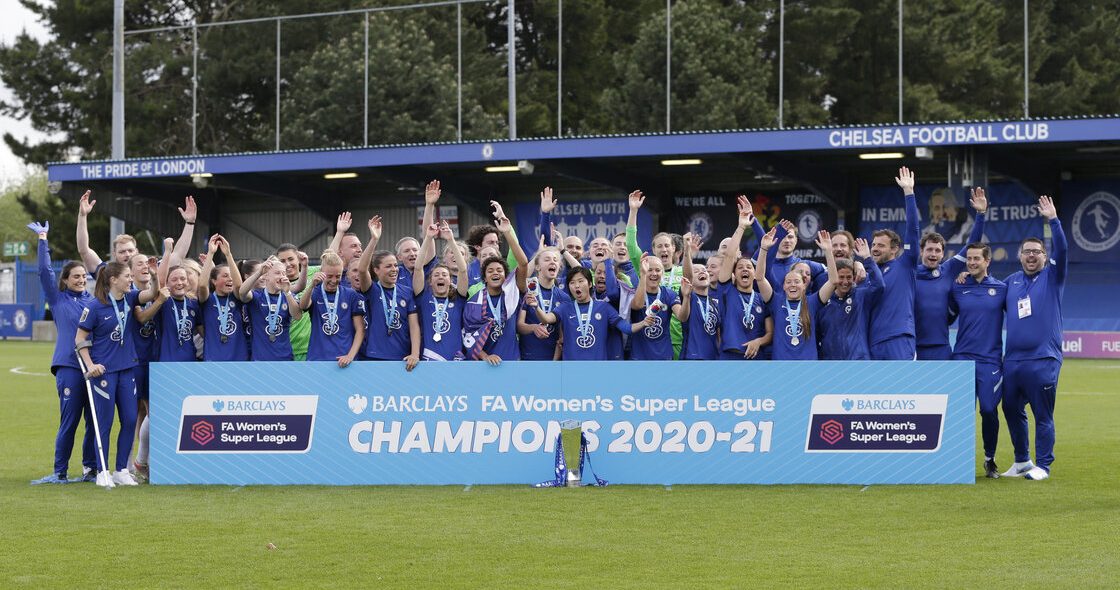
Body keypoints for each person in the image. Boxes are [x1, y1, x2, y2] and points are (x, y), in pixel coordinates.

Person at [1000, 195, 1066, 481]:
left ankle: (1044, 466)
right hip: (1012, 361)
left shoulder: (1053, 276)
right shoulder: (1010, 282)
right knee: (1010, 409)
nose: (1031, 256)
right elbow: (987, 298)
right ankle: (1022, 460)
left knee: (1042, 414)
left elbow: (1062, 250)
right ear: (1019, 255)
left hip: (1043, 359)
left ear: (1044, 255)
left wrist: (1054, 220)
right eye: (1026, 252)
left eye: (1036, 252)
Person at [30, 221, 98, 484]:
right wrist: (43, 240)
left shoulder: (94, 302)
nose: (81, 280)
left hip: (92, 367)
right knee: (69, 422)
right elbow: (44, 271)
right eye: (76, 277)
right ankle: (59, 472)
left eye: (83, 276)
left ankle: (90, 470)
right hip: (69, 367)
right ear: (66, 280)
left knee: (93, 422)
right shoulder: (58, 299)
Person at [74, 261, 152, 488]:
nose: (131, 279)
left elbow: (153, 293)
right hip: (104, 372)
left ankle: (121, 470)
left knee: (129, 419)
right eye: (127, 276)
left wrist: (156, 275)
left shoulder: (130, 298)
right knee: (104, 423)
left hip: (128, 368)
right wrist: (90, 365)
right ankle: (102, 470)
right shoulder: (95, 306)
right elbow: (80, 339)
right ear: (113, 280)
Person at [949, 242, 1008, 479]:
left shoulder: (1002, 289)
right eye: (969, 259)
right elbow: (946, 314)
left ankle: (989, 459)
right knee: (960, 413)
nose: (972, 263)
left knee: (988, 409)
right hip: (961, 357)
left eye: (976, 259)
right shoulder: (958, 287)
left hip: (990, 361)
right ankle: (953, 461)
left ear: (987, 261)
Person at [915, 187, 988, 360]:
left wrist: (981, 214)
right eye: (929, 249)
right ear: (921, 251)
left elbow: (973, 244)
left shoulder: (948, 270)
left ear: (942, 254)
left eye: (937, 250)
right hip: (913, 347)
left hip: (941, 346)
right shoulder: (909, 274)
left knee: (943, 388)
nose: (933, 254)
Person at [528, 267, 652, 360]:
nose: (576, 285)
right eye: (572, 283)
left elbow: (626, 328)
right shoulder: (565, 307)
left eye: (580, 281)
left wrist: (643, 323)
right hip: (571, 369)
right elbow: (546, 319)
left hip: (597, 369)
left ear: (590, 284)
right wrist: (536, 307)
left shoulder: (604, 307)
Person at [755, 227, 837, 360]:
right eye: (789, 282)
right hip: (781, 364)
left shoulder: (813, 302)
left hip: (808, 365)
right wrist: (764, 249)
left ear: (804, 285)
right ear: (784, 286)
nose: (792, 285)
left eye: (797, 281)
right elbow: (759, 277)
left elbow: (833, 281)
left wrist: (828, 251)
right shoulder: (776, 301)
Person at [463, 206, 529, 365]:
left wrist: (507, 231)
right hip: (484, 366)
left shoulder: (512, 293)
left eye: (499, 270)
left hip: (512, 361)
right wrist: (485, 356)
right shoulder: (474, 301)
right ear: (484, 277)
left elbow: (524, 263)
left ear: (505, 275)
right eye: (490, 270)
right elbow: (468, 335)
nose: (495, 273)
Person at [868, 166, 921, 360]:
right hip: (872, 341)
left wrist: (909, 193)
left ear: (894, 249)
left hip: (898, 338)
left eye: (881, 245)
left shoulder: (905, 264)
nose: (875, 248)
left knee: (902, 390)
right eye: (873, 244)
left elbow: (913, 231)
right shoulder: (868, 272)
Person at [716, 197, 773, 360]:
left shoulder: (762, 298)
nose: (745, 270)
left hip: (757, 357)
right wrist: (741, 226)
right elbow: (729, 256)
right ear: (734, 273)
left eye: (749, 267)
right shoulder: (726, 290)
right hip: (730, 357)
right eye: (740, 267)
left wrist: (758, 342)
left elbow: (770, 333)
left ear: (755, 274)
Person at [817, 238, 882, 360]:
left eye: (849, 277)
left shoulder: (860, 295)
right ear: (834, 277)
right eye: (841, 277)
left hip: (858, 360)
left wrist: (867, 258)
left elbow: (879, 285)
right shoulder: (822, 301)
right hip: (831, 363)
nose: (845, 282)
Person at [414, 220, 470, 361]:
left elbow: (463, 270)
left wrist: (451, 240)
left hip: (455, 361)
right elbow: (418, 267)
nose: (441, 277)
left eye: (444, 275)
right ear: (430, 282)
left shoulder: (458, 298)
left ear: (450, 281)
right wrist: (427, 238)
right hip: (429, 359)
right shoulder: (423, 298)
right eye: (436, 275)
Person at [299, 249, 366, 367]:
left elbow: (360, 330)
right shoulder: (314, 293)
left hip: (345, 358)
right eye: (329, 276)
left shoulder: (351, 295)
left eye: (338, 276)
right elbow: (302, 306)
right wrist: (311, 286)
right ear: (321, 272)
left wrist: (350, 356)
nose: (334, 280)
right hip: (318, 358)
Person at [359, 249, 420, 369]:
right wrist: (374, 239)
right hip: (375, 356)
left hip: (402, 357)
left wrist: (415, 353)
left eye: (396, 265)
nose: (394, 269)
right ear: (376, 270)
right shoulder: (372, 290)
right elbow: (362, 270)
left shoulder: (407, 292)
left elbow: (414, 326)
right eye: (388, 266)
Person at [239, 257, 303, 361]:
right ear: (267, 276)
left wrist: (287, 292)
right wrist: (259, 272)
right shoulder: (257, 296)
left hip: (284, 359)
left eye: (283, 273)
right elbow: (242, 293)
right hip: (260, 359)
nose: (282, 276)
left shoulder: (289, 296)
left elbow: (297, 316)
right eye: (277, 273)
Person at [629, 254, 691, 360]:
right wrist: (643, 275)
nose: (654, 273)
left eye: (658, 270)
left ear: (662, 273)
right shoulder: (635, 292)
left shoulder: (669, 294)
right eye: (649, 270)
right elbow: (638, 305)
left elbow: (682, 317)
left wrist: (686, 297)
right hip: (639, 357)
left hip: (664, 356)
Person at [198, 234, 249, 362]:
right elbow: (202, 285)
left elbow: (239, 285)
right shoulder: (207, 299)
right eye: (225, 276)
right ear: (214, 281)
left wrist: (228, 254)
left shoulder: (236, 298)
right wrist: (210, 253)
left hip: (239, 359)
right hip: (213, 359)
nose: (230, 278)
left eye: (231, 275)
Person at [518, 244, 569, 360]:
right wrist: (533, 328)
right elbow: (519, 326)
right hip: (528, 359)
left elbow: (561, 336)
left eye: (556, 260)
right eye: (547, 259)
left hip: (553, 360)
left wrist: (555, 362)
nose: (552, 262)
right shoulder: (528, 290)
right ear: (537, 267)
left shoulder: (563, 297)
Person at [680, 234, 720, 360]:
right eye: (696, 271)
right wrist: (687, 252)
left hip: (713, 359)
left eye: (704, 270)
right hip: (692, 358)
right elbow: (687, 276)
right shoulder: (689, 296)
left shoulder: (716, 302)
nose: (703, 271)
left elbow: (719, 335)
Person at [275, 244, 310, 360]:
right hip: (284, 348)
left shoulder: (313, 273)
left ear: (298, 259)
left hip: (309, 348)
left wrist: (339, 232)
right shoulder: (275, 286)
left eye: (291, 259)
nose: (287, 264)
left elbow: (331, 257)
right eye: (282, 261)